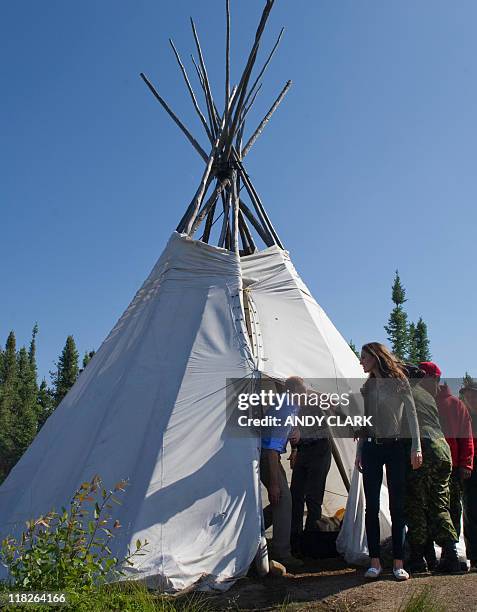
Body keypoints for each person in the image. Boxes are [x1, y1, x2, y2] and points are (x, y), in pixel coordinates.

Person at [355, 342, 422, 581]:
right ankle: (374, 562)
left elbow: (412, 414)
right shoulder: (368, 387)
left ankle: (398, 563)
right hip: (372, 448)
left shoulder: (398, 382)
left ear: (375, 356)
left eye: (364, 357)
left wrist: (416, 446)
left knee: (397, 505)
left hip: (395, 448)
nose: (360, 361)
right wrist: (359, 451)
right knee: (371, 506)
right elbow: (366, 421)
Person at [405, 363, 461, 574]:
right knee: (439, 504)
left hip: (425, 451)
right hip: (442, 450)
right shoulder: (427, 396)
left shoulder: (407, 393)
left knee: (417, 505)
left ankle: (418, 559)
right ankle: (450, 556)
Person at [260, 376, 305, 571]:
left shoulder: (290, 406)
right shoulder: (285, 408)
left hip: (271, 456)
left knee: (282, 501)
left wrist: (296, 432)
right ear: (295, 391)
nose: (306, 394)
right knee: (282, 498)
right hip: (267, 457)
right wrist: (273, 483)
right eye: (303, 391)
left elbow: (291, 430)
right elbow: (270, 447)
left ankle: (256, 533)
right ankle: (281, 552)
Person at [432, 365, 474, 544]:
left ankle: (452, 551)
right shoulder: (428, 402)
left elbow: (466, 438)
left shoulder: (455, 405)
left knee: (455, 508)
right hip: (436, 464)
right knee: (441, 508)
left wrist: (466, 463)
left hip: (456, 465)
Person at [289, 390, 332, 553]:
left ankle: (311, 542)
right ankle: (296, 540)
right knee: (296, 495)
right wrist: (294, 449)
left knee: (313, 498)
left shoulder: (316, 401)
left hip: (319, 449)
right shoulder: (294, 405)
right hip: (303, 451)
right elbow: (294, 430)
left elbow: (325, 428)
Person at [461, 380, 477, 569]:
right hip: (470, 467)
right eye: (468, 394)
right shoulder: (464, 415)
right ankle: (474, 558)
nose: (470, 397)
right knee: (471, 512)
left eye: (473, 394)